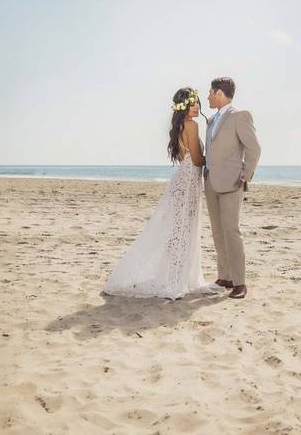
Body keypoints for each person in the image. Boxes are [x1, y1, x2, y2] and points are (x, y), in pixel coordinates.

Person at [102, 87, 219, 299]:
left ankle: (176, 276)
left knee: (179, 232)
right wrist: (214, 157)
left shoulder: (180, 126)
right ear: (183, 106)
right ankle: (176, 279)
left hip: (185, 183)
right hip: (187, 185)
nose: (197, 107)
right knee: (183, 232)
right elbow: (196, 159)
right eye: (192, 104)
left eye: (198, 104)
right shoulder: (191, 126)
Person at [202, 77, 261, 300]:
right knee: (217, 231)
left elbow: (253, 148)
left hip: (232, 182)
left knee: (232, 231)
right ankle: (224, 276)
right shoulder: (210, 119)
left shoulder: (240, 116)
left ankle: (239, 282)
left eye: (210, 92)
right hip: (210, 182)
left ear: (219, 93)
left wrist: (245, 175)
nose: (207, 96)